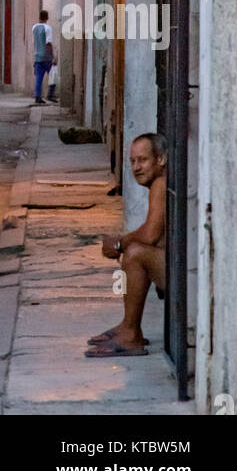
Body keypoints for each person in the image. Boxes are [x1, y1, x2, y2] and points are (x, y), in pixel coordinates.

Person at [85, 134, 167, 358]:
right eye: (132, 161)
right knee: (135, 250)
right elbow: (152, 229)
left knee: (136, 253)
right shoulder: (160, 184)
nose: (136, 167)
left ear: (161, 160)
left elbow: (150, 235)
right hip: (181, 270)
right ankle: (128, 326)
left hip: (186, 277)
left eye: (143, 160)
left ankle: (131, 333)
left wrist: (120, 243)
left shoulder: (162, 183)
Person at [32, 9, 53, 104]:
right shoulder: (48, 28)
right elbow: (48, 43)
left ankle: (37, 97)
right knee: (52, 76)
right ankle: (50, 95)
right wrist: (52, 56)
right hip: (46, 57)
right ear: (47, 18)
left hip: (37, 56)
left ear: (39, 17)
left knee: (39, 78)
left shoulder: (34, 27)